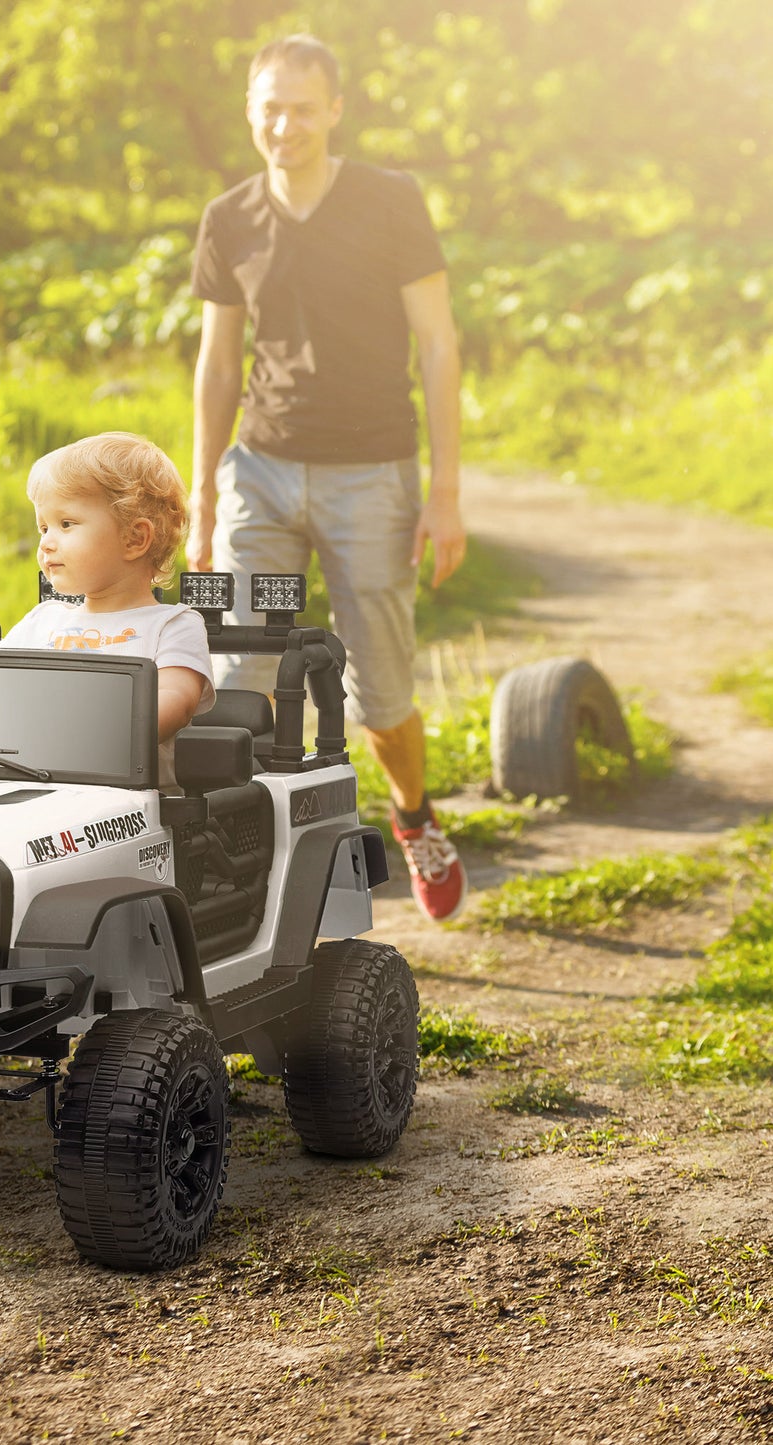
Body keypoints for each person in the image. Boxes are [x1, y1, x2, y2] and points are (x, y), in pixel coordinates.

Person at [187, 32, 469, 922]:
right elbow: (217, 364)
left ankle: (414, 816)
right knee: (239, 665)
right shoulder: (228, 218)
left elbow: (438, 342)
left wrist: (446, 490)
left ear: (334, 109)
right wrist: (201, 497)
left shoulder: (390, 201)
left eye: (303, 107)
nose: (285, 124)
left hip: (371, 479)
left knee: (380, 691)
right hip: (261, 476)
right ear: (249, 112)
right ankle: (241, 861)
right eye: (269, 107)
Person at [0, 432, 215, 789]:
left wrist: (88, 739)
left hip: (133, 808)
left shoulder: (173, 626)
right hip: (31, 789)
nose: (46, 542)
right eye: (43, 526)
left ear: (134, 539)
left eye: (66, 524)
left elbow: (176, 702)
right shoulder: (42, 621)